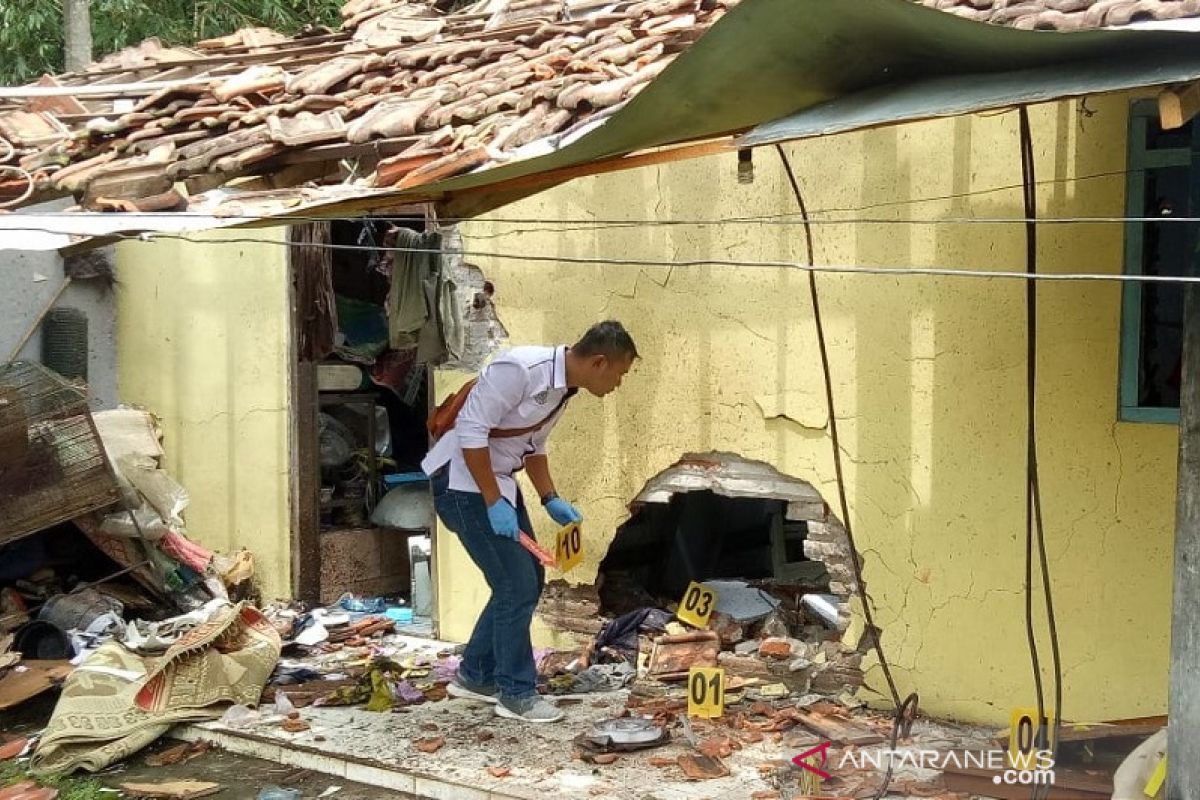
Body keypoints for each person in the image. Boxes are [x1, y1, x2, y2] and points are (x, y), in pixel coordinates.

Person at [421, 320, 638, 723]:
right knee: (515, 584)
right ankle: (515, 692)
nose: (619, 384)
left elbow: (534, 446)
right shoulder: (520, 369)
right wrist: (491, 502)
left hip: (498, 483)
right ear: (599, 362)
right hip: (460, 484)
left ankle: (475, 675)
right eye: (620, 374)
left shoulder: (563, 389)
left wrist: (550, 498)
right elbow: (471, 429)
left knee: (526, 580)